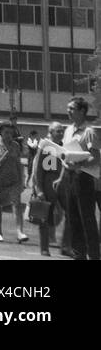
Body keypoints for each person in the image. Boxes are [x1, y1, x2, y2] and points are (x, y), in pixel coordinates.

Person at [61, 96, 101, 261]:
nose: (68, 111)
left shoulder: (89, 132)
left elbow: (96, 156)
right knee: (73, 218)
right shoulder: (68, 130)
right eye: (68, 108)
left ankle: (94, 255)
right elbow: (65, 153)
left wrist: (79, 166)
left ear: (82, 111)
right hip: (70, 178)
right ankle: (79, 255)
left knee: (87, 219)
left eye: (72, 109)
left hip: (84, 178)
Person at [0, 121, 28, 243]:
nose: (9, 135)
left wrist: (22, 180)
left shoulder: (15, 146)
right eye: (6, 132)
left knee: (17, 205)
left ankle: (20, 232)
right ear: (1, 133)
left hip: (13, 180)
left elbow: (19, 163)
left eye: (11, 133)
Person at [30, 122, 67, 256]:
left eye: (62, 131)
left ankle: (66, 246)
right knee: (44, 217)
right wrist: (39, 189)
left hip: (63, 186)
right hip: (47, 186)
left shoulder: (64, 147)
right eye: (58, 131)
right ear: (50, 133)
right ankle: (44, 248)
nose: (61, 133)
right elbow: (37, 170)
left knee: (71, 213)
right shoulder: (45, 146)